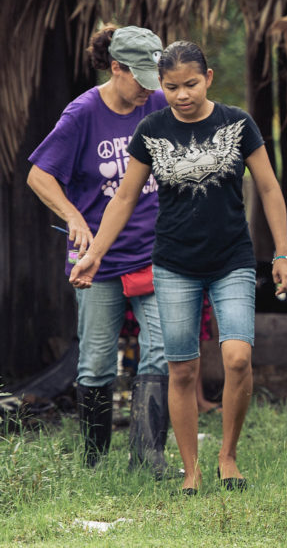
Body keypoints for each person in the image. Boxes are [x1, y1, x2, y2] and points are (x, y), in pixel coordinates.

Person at [69, 40, 287, 495]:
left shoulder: (238, 122)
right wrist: (94, 253)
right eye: (171, 87)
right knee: (182, 368)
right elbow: (125, 198)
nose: (181, 95)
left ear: (208, 78)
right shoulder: (151, 129)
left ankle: (227, 456)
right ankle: (191, 470)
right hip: (173, 265)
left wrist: (283, 251)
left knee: (237, 356)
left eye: (190, 84)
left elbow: (269, 189)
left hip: (231, 259)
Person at [27, 25, 171, 476]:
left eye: (155, 78)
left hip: (154, 252)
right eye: (142, 78)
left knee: (163, 348)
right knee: (95, 359)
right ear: (116, 68)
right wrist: (74, 218)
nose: (149, 89)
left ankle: (147, 459)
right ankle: (94, 461)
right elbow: (39, 175)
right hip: (98, 259)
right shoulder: (83, 113)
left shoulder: (161, 103)